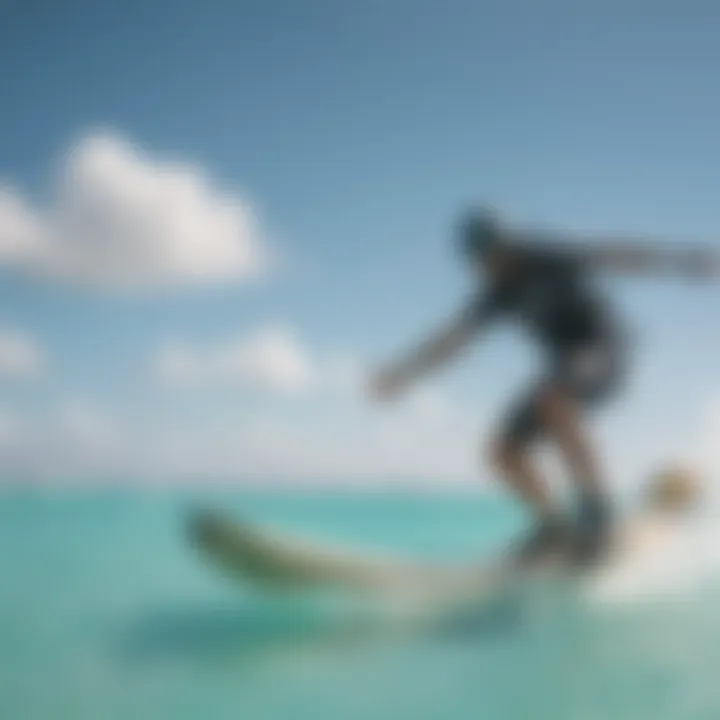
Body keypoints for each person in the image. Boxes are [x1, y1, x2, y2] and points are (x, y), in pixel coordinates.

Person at [369, 207, 717, 567]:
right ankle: (555, 528)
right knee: (502, 451)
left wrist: (684, 261)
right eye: (479, 262)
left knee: (553, 398)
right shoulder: (497, 293)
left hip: (603, 350)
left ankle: (597, 515)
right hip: (562, 371)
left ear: (505, 244)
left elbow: (614, 256)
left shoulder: (545, 258)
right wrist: (402, 374)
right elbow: (452, 340)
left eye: (491, 254)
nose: (487, 267)